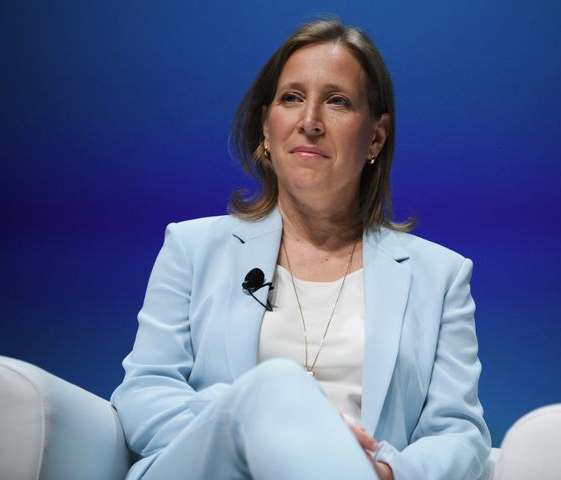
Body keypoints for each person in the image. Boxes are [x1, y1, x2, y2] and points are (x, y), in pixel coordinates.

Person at [111, 18, 491, 480]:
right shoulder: (192, 248)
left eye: (337, 102)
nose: (309, 122)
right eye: (291, 98)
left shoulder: (440, 276)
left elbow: (461, 436)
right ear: (266, 129)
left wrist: (382, 468)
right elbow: (145, 392)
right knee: (276, 385)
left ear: (375, 136)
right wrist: (256, 430)